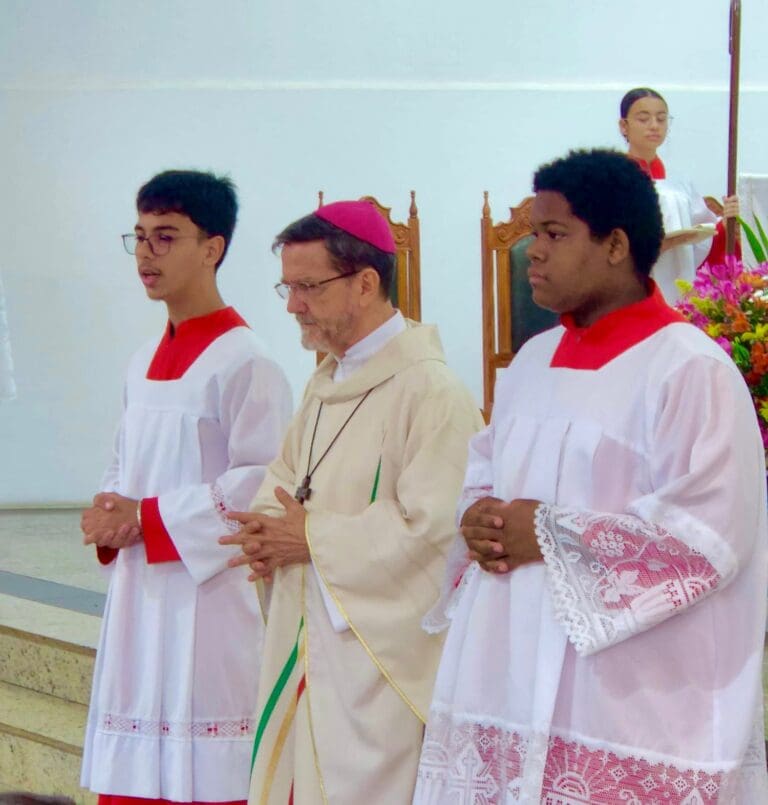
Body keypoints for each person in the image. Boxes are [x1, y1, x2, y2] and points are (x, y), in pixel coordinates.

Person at [413, 149, 768, 804]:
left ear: (615, 245)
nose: (534, 253)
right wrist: (479, 520)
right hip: (514, 675)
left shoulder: (690, 370)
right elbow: (486, 471)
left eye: (553, 234)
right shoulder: (533, 359)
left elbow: (710, 537)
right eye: (531, 234)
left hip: (628, 702)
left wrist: (548, 533)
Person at [220, 200, 483, 804]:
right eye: (287, 287)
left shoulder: (432, 390)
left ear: (366, 283)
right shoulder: (327, 380)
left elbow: (436, 533)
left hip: (374, 665)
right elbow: (284, 480)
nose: (292, 306)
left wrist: (311, 537)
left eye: (307, 287)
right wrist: (264, 534)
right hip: (306, 632)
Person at [79, 170, 293, 805]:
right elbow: (122, 463)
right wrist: (108, 512)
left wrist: (146, 520)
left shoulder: (246, 360)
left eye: (166, 237)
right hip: (139, 596)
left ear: (213, 247)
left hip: (209, 602)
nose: (146, 253)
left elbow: (260, 482)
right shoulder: (142, 360)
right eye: (140, 237)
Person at [619, 86, 739, 302]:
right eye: (643, 119)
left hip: (678, 285)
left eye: (661, 118)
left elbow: (706, 243)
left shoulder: (681, 184)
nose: (654, 126)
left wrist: (725, 224)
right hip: (631, 287)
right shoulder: (613, 179)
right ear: (624, 126)